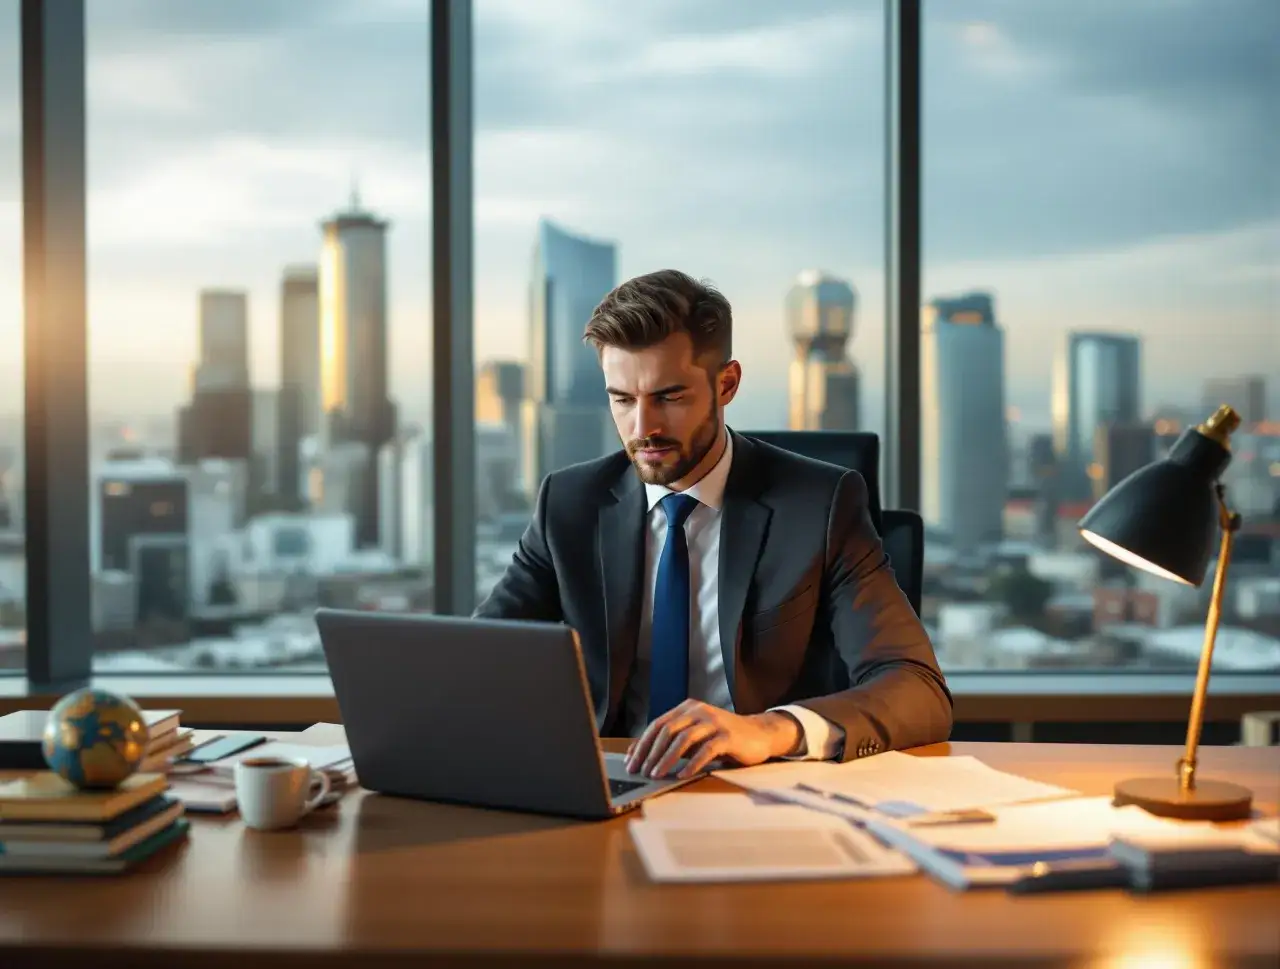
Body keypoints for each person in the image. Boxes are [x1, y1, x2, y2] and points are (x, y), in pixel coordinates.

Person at [475, 269, 952, 780]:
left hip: (760, 788)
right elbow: (478, 661)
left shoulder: (820, 506)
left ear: (726, 384)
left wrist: (771, 729)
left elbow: (916, 686)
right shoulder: (569, 504)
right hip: (606, 783)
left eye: (669, 397)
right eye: (623, 400)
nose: (643, 428)